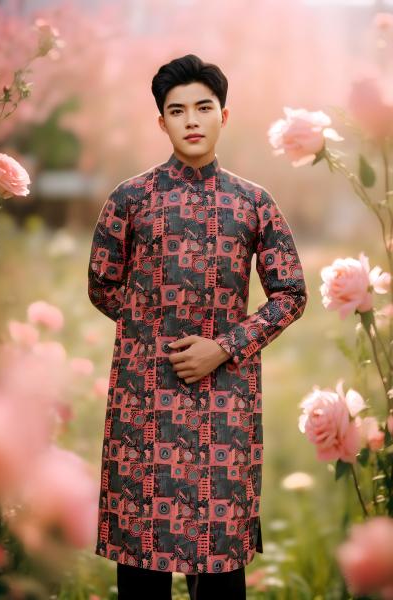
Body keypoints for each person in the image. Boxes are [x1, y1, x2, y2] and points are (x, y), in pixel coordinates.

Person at [87, 53, 308, 600]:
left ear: (223, 116)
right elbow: (102, 284)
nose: (191, 120)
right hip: (143, 408)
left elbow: (291, 294)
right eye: (177, 110)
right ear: (161, 122)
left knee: (219, 571)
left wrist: (224, 347)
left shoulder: (254, 203)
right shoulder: (130, 198)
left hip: (225, 407)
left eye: (203, 108)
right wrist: (151, 336)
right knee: (141, 570)